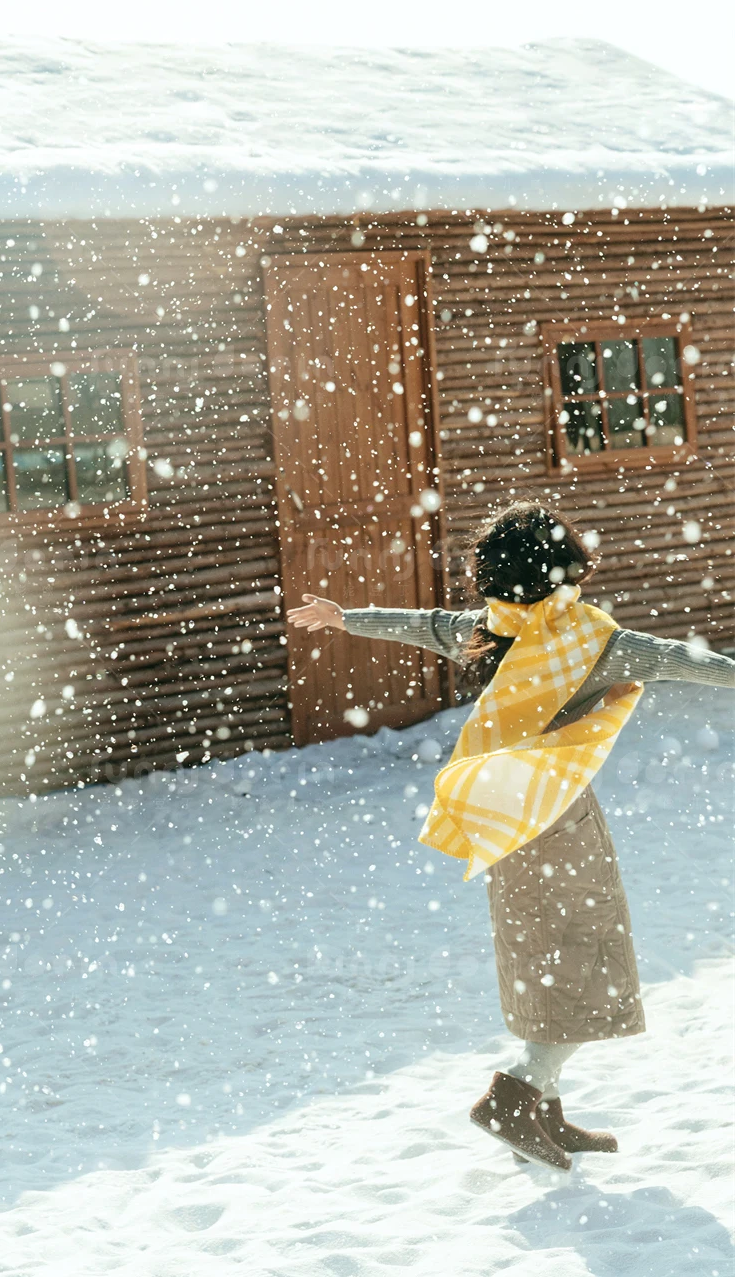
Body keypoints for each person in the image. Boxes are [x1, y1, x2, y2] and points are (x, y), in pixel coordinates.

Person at [287, 500, 735, 1171]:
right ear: (564, 565)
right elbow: (676, 659)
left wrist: (347, 618)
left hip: (504, 813)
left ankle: (544, 1112)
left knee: (541, 954)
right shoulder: (591, 641)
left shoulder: (492, 629)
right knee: (583, 956)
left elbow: (427, 626)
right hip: (554, 816)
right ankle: (516, 1095)